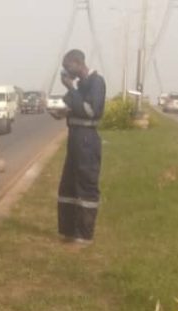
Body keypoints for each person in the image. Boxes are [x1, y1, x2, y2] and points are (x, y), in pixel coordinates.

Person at [50, 49, 106, 246]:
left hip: (86, 141)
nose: (66, 72)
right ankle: (69, 231)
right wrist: (61, 112)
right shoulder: (80, 85)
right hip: (75, 139)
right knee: (69, 185)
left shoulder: (96, 82)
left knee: (85, 184)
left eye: (68, 67)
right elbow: (73, 106)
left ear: (78, 63)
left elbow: (90, 111)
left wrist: (71, 88)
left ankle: (84, 235)